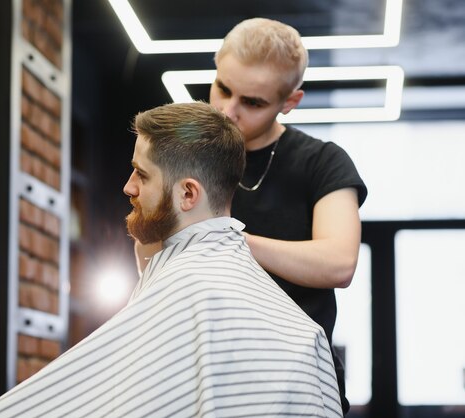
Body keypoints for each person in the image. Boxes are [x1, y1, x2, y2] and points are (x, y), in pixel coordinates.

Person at [0, 102, 342, 417]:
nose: (128, 186)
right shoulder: (299, 327)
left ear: (187, 194)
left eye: (142, 175)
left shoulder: (190, 294)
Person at [137, 18, 367, 414]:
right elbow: (152, 261)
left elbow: (338, 263)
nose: (228, 110)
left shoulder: (322, 162)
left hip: (297, 383)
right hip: (197, 375)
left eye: (253, 102)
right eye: (223, 88)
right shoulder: (183, 157)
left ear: (289, 102)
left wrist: (225, 237)